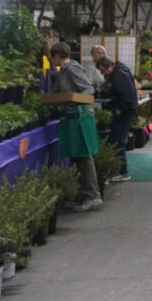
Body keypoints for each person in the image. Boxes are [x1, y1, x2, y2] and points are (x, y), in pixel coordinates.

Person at [48, 42, 102, 212]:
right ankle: (83, 196)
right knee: (78, 158)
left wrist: (74, 99)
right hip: (73, 117)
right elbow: (55, 93)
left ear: (57, 55)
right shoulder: (64, 71)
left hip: (81, 117)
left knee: (83, 157)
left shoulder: (72, 69)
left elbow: (88, 89)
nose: (51, 61)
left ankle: (92, 196)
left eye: (52, 57)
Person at [96, 56, 138, 182]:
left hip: (124, 112)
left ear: (107, 67)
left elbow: (127, 96)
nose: (102, 73)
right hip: (125, 111)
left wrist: (118, 109)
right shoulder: (120, 71)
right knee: (117, 140)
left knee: (118, 140)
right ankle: (119, 170)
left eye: (102, 71)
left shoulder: (119, 74)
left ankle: (122, 172)